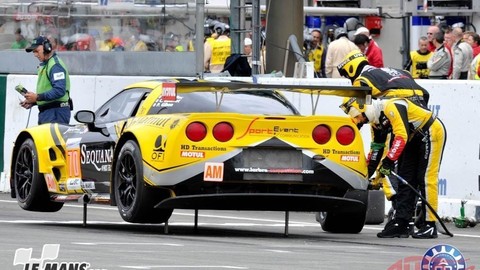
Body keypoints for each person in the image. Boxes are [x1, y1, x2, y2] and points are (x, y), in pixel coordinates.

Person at [345, 98, 446, 239]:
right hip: (412, 139)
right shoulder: (375, 123)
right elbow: (376, 150)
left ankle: (430, 225)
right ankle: (402, 223)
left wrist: (389, 160)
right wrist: (365, 175)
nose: (360, 120)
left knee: (426, 178)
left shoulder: (390, 107)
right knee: (405, 178)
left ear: (364, 108)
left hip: (430, 132)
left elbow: (401, 135)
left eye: (358, 116)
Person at [337, 50, 429, 106]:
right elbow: (426, 93)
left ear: (351, 68)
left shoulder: (362, 79)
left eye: (347, 75)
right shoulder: (399, 71)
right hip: (421, 100)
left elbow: (363, 109)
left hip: (399, 105)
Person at [22, 36, 71, 125]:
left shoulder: (55, 66)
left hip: (56, 114)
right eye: (34, 52)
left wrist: (37, 97)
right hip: (50, 113)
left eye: (37, 51)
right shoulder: (48, 64)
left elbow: (59, 91)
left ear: (47, 48)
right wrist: (34, 101)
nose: (35, 55)